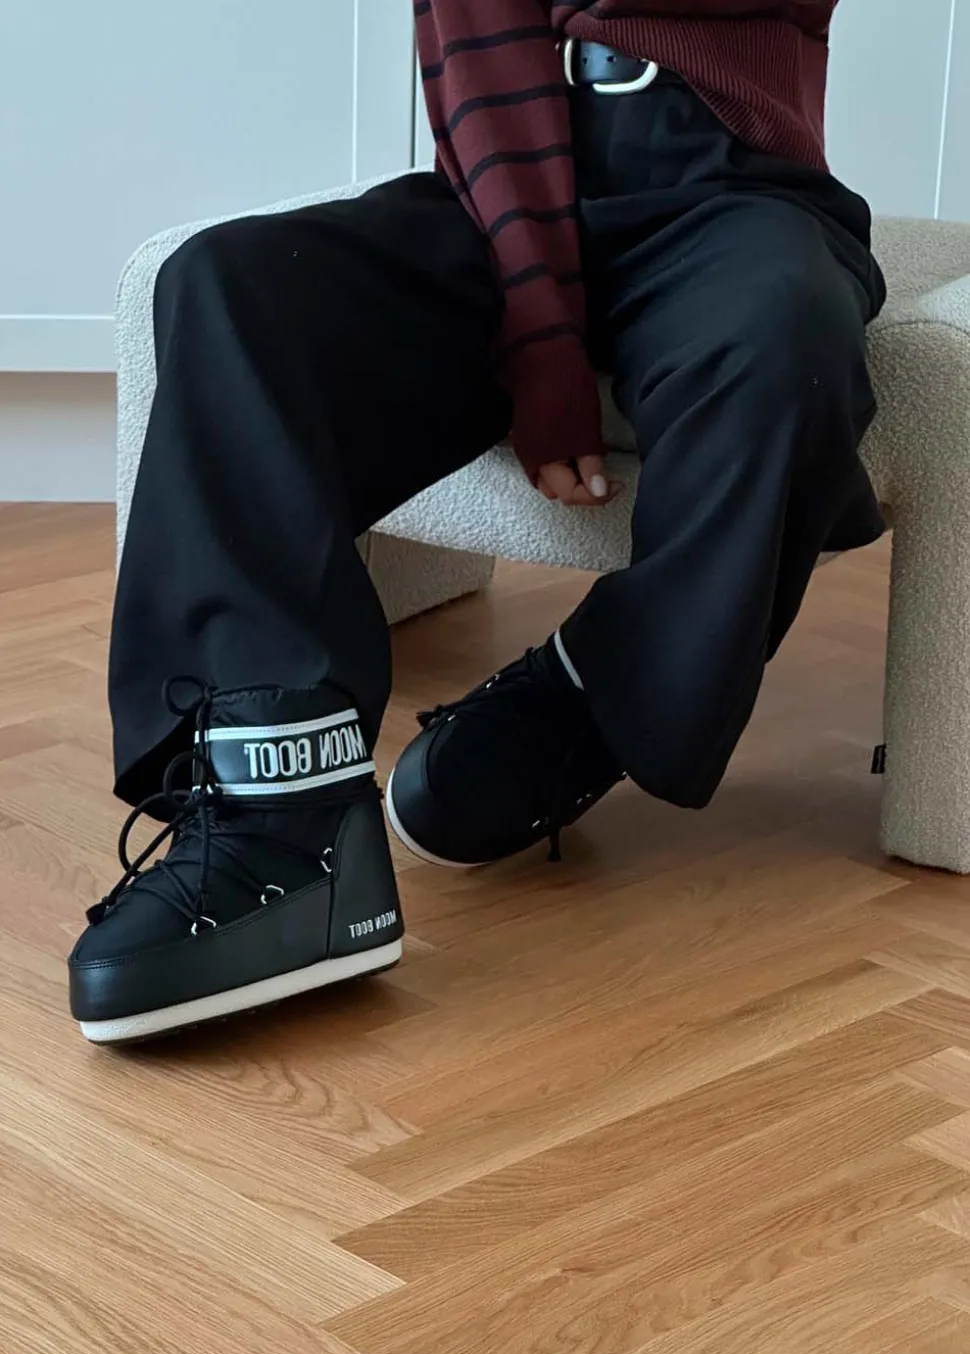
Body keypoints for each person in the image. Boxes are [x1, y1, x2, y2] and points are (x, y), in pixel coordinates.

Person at [68, 0, 886, 1043]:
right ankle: (282, 817)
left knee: (786, 351)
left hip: (733, 189)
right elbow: (475, 34)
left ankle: (587, 701)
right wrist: (539, 336)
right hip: (501, 192)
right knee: (229, 285)